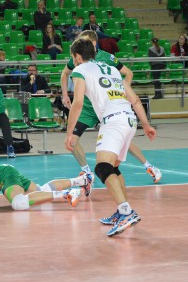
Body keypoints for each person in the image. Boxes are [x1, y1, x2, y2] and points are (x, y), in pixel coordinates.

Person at [65, 38, 156, 236]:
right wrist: (146, 124)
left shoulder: (80, 70)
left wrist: (70, 132)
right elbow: (135, 99)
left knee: (102, 167)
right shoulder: (112, 69)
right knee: (113, 167)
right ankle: (122, 211)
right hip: (129, 119)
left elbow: (77, 103)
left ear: (77, 57)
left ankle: (126, 212)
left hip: (113, 121)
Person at [61, 30, 162, 185]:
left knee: (119, 140)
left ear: (93, 43)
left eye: (85, 41)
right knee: (72, 141)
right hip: (88, 108)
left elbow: (128, 73)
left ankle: (148, 166)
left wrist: (122, 91)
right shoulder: (78, 61)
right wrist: (64, 94)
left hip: (106, 106)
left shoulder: (106, 59)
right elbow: (65, 73)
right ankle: (87, 173)